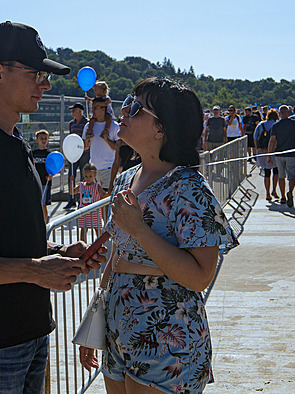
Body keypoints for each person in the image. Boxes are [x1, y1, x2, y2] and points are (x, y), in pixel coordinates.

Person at [0, 21, 104, 393]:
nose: (46, 85)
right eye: (36, 74)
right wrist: (34, 270)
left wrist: (59, 253)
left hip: (30, 335)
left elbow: (4, 239)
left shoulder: (16, 145)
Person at [78, 77, 238, 393]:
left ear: (161, 129)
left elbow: (199, 277)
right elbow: (118, 255)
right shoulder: (126, 178)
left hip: (166, 335)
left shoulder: (190, 188)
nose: (122, 111)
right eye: (126, 101)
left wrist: (139, 228)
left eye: (136, 108)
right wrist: (94, 324)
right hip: (119, 329)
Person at [267, 105, 295, 207]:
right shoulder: (294, 124)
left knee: (281, 176)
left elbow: (272, 141)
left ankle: (283, 196)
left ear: (279, 114)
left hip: (279, 153)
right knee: (292, 176)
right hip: (292, 153)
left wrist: (269, 155)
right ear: (288, 113)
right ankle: (290, 192)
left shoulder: (275, 126)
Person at [83, 96, 120, 192]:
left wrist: (107, 139)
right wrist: (87, 140)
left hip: (109, 168)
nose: (93, 110)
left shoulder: (114, 126)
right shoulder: (88, 126)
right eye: (92, 108)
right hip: (94, 169)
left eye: (95, 108)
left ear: (103, 109)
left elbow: (117, 148)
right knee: (95, 199)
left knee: (107, 198)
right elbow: (85, 148)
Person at [65, 102, 89, 210]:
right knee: (71, 175)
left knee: (84, 176)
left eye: (74, 110)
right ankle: (71, 199)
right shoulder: (71, 123)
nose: (72, 112)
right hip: (73, 153)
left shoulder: (87, 123)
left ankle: (82, 199)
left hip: (84, 153)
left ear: (80, 111)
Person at [75, 163, 106, 240]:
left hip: (95, 212)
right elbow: (72, 192)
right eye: (86, 176)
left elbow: (103, 194)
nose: (88, 178)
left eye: (90, 176)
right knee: (83, 231)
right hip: (84, 212)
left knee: (98, 230)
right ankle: (82, 247)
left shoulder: (96, 185)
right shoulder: (82, 185)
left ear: (95, 175)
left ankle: (100, 246)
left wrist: (110, 193)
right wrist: (71, 181)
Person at [254, 109, 279, 201]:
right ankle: (274, 190)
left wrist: (258, 148)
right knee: (276, 171)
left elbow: (255, 137)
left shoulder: (261, 124)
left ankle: (267, 193)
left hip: (263, 151)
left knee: (267, 173)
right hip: (275, 151)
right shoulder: (277, 124)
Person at [31, 129, 54, 222]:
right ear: (36, 140)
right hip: (35, 182)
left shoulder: (49, 154)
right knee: (35, 203)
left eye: (45, 138)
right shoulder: (33, 153)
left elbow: (54, 167)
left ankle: (44, 222)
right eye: (41, 138)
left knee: (43, 204)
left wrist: (51, 175)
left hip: (45, 182)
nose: (43, 140)